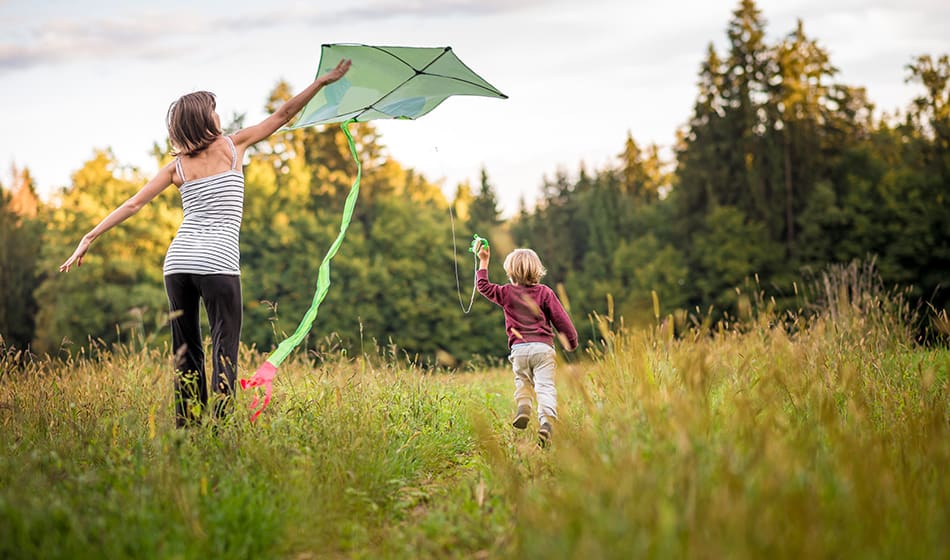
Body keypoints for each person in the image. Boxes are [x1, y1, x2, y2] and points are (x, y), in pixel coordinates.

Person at [59, 58, 352, 426]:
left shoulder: (176, 167)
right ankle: (220, 429)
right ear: (204, 119)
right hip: (217, 266)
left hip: (178, 266)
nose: (219, 116)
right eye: (214, 111)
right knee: (224, 350)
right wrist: (322, 82)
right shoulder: (233, 146)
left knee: (187, 352)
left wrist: (88, 236)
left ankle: (188, 428)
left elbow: (133, 204)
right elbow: (284, 113)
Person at [476, 245, 578, 446]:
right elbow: (561, 320)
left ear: (510, 273)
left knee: (522, 381)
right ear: (537, 271)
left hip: (519, 350)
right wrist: (571, 341)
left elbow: (483, 287)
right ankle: (547, 421)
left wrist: (484, 261)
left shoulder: (506, 293)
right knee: (545, 386)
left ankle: (523, 406)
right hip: (543, 349)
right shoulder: (545, 293)